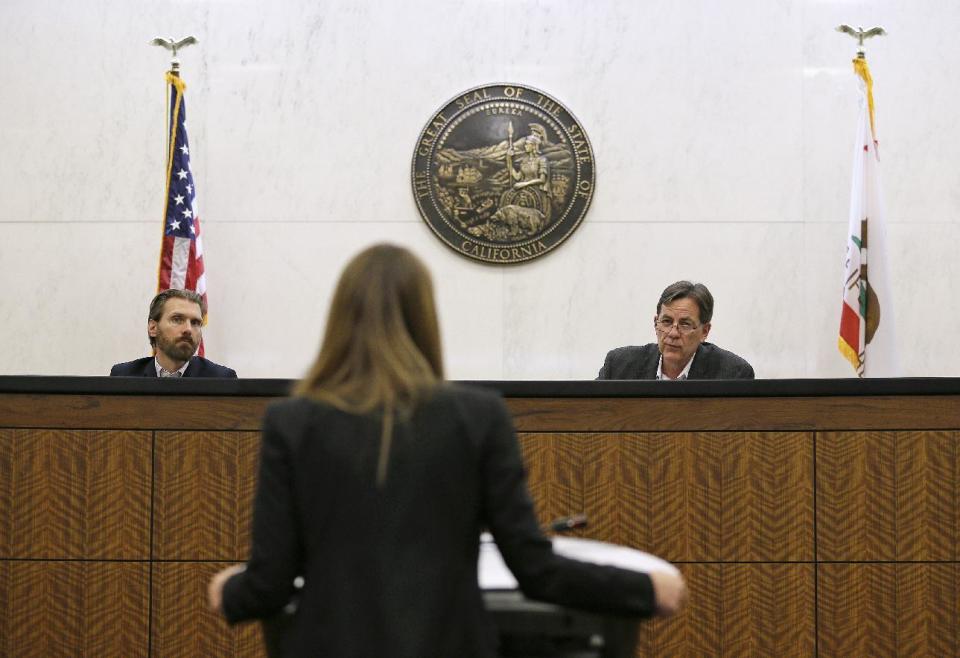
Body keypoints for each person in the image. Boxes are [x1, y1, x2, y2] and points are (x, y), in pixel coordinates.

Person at [207, 244, 686, 657]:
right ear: (426, 320)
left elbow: (270, 582)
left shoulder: (291, 423)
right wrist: (643, 588)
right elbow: (534, 567)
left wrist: (228, 591)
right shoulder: (477, 417)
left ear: (338, 319)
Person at [597, 280, 754, 380]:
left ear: (704, 331)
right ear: (655, 323)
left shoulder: (733, 375)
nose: (673, 333)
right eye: (666, 322)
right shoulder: (619, 366)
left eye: (685, 324)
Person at [110, 289, 236, 378]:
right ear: (153, 327)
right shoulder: (124, 376)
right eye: (177, 319)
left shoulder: (221, 379)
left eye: (195, 322)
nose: (188, 329)